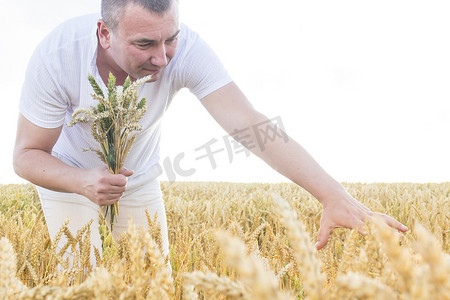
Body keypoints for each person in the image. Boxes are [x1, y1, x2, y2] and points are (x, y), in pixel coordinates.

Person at [13, 0, 408, 264]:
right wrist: (82, 181)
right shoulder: (56, 58)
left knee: (155, 283)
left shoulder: (185, 53)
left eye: (171, 38)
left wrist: (333, 196)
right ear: (104, 33)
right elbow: (26, 155)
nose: (163, 58)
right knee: (79, 276)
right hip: (65, 176)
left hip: (139, 178)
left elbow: (252, 127)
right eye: (145, 44)